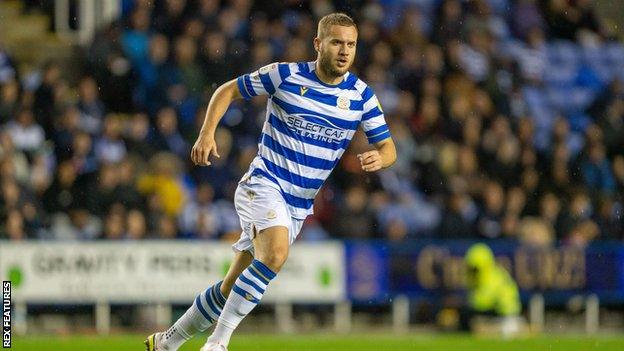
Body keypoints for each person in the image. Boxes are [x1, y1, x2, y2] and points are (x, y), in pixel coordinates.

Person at [145, 13, 396, 351]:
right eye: (337, 42)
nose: (344, 51)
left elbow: (388, 146)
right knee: (276, 255)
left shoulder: (362, 97)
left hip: (297, 205)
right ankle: (217, 344)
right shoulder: (286, 75)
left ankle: (166, 342)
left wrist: (382, 157)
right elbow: (228, 90)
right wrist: (207, 133)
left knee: (229, 287)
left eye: (351, 44)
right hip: (263, 184)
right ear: (319, 44)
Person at [462, 243, 522, 336]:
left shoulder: (494, 278)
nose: (472, 272)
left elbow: (481, 303)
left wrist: (461, 303)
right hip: (494, 316)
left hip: (506, 318)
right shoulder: (483, 277)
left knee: (477, 328)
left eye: (474, 269)